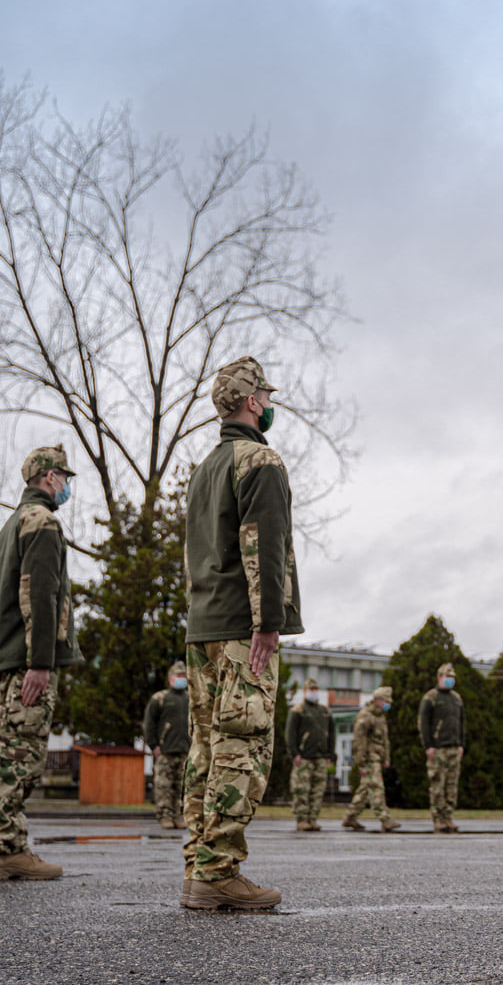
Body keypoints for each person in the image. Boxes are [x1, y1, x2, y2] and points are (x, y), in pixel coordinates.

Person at [181, 356, 301, 911]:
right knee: (242, 747)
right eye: (267, 396)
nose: (271, 404)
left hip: (203, 627)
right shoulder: (260, 460)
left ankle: (199, 862)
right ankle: (217, 870)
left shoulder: (205, 467)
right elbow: (264, 546)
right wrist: (268, 623)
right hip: (240, 630)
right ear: (253, 401)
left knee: (207, 747)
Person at [0, 446, 76, 883]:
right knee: (21, 753)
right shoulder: (42, 522)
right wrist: (41, 661)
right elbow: (40, 593)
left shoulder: (10, 525)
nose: (66, 486)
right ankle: (8, 849)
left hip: (6, 658)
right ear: (50, 477)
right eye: (64, 478)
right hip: (27, 660)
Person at [342, 686, 400, 832]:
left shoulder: (380, 717)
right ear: (378, 700)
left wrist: (386, 758)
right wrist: (361, 763)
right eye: (386, 701)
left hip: (377, 757)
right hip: (369, 758)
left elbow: (384, 740)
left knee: (365, 789)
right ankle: (385, 819)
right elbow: (359, 742)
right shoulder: (366, 716)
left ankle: (350, 817)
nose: (388, 704)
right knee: (376, 787)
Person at [418, 662, 466, 833]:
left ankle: (448, 817)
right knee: (437, 785)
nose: (450, 680)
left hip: (454, 748)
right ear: (439, 677)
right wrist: (428, 746)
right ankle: (438, 819)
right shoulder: (430, 697)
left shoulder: (456, 698)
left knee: (451, 786)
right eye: (447, 676)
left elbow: (461, 723)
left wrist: (461, 744)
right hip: (438, 749)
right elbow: (423, 723)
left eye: (452, 677)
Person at [144, 662, 192, 831]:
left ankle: (179, 816)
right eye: (178, 676)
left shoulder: (190, 698)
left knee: (182, 786)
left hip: (185, 750)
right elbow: (150, 724)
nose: (181, 679)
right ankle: (165, 816)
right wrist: (154, 745)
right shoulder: (160, 698)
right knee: (164, 786)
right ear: (170, 678)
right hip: (165, 750)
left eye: (183, 676)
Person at [285, 678, 336, 832]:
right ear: (305, 691)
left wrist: (330, 754)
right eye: (310, 690)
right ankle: (302, 820)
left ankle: (313, 819)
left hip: (321, 757)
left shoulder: (325, 711)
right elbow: (290, 734)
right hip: (304, 757)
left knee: (318, 790)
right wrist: (294, 753)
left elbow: (331, 734)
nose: (313, 692)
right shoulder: (298, 710)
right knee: (301, 789)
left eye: (315, 690)